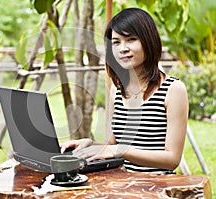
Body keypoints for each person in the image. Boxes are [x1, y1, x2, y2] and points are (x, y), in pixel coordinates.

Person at [60, 7, 189, 173]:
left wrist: (119, 150)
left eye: (131, 39)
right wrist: (89, 144)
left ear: (149, 41)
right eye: (116, 42)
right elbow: (113, 144)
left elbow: (172, 159)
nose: (122, 48)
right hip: (123, 184)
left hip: (156, 187)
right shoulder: (117, 89)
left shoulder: (173, 90)